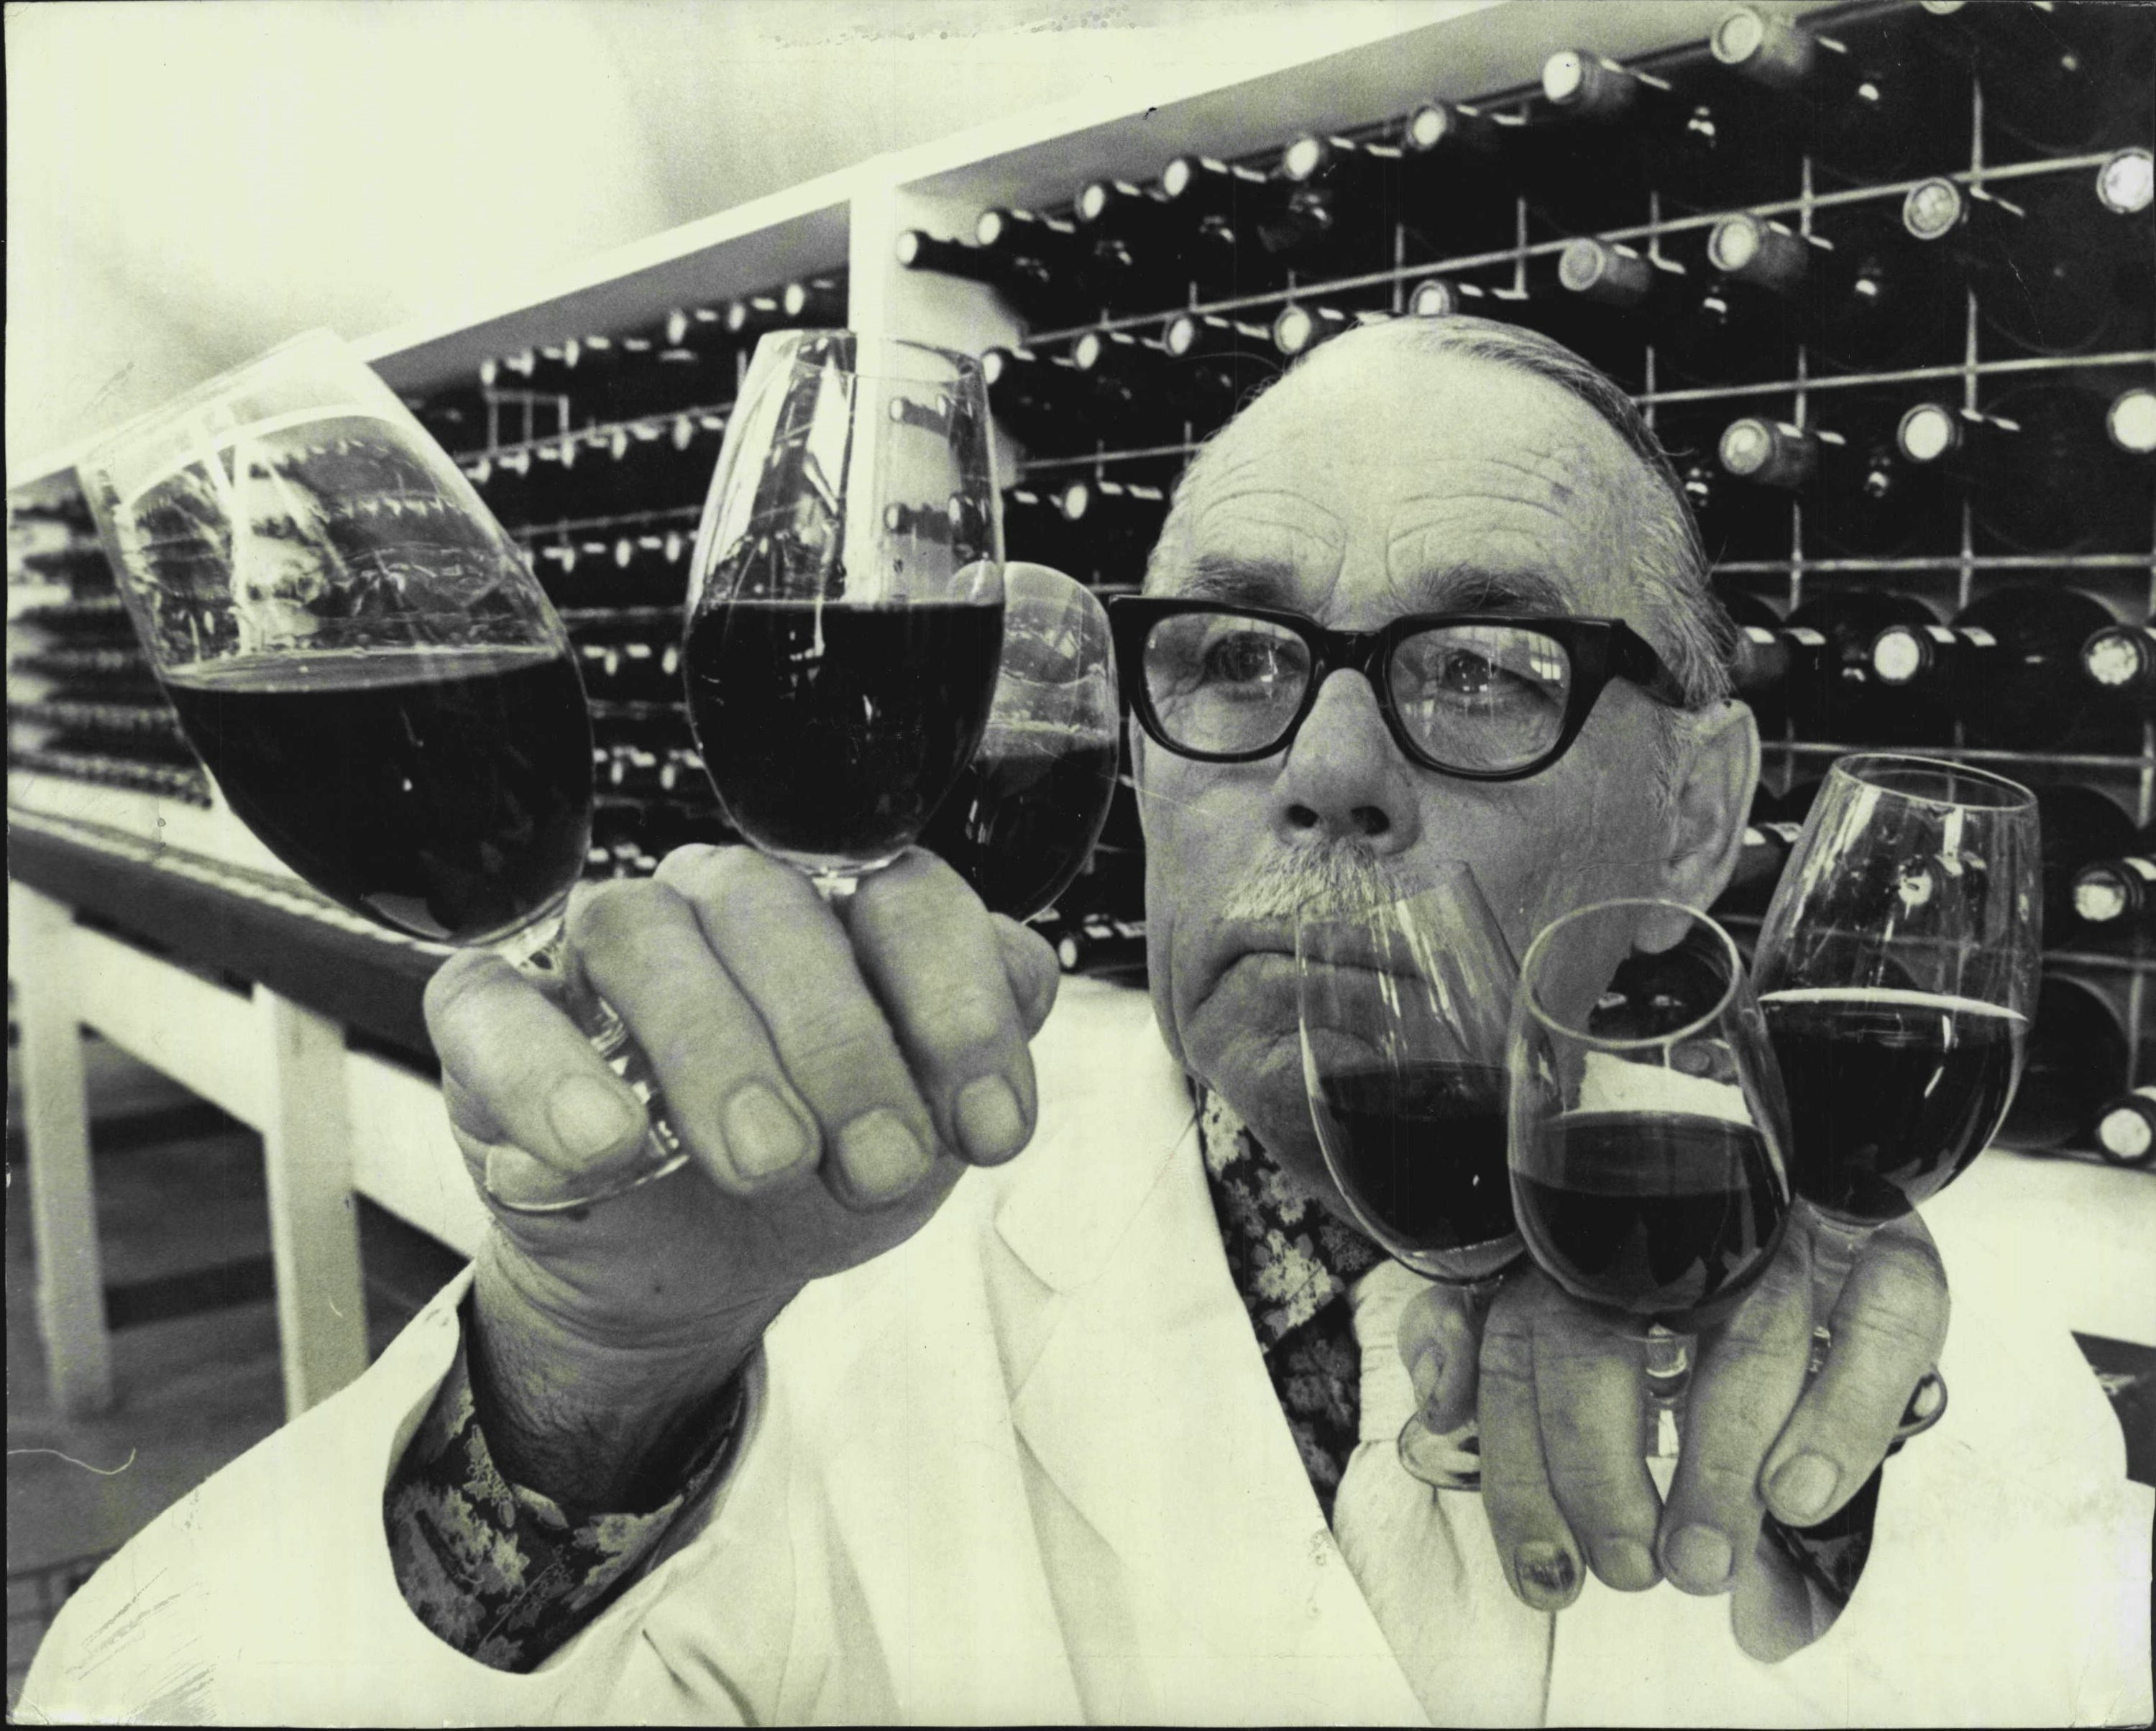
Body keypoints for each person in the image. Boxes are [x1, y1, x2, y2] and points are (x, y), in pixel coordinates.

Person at [25, 319, 2150, 1726]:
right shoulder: (802, 1296)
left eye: (1482, 669)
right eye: (1228, 658)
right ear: (1141, 748)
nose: (1325, 768)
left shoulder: (1922, 1375)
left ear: (1696, 809)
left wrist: (1820, 1495)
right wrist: (577, 1381)